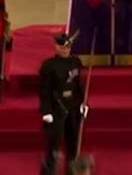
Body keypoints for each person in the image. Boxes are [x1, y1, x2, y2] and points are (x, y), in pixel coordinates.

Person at [39, 32, 88, 175]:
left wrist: (83, 103)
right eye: (63, 47)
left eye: (68, 47)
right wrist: (46, 111)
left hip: (73, 108)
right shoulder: (48, 66)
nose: (66, 50)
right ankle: (48, 172)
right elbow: (44, 90)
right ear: (56, 47)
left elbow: (78, 85)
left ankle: (71, 172)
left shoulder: (76, 62)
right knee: (53, 147)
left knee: (73, 145)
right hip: (56, 108)